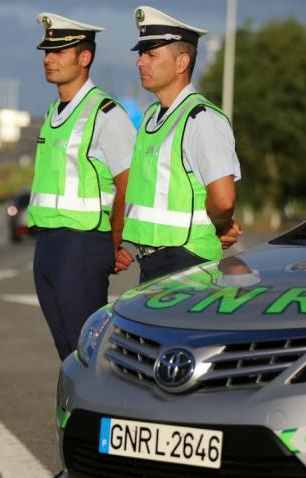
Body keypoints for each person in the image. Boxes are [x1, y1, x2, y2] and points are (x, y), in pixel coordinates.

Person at [29, 12, 136, 361]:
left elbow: (128, 183)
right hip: (48, 245)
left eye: (59, 51)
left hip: (83, 245)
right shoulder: (54, 112)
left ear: (84, 57)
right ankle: (73, 417)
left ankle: (100, 415)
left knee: (88, 352)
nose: (48, 58)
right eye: (47, 51)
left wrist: (116, 241)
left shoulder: (106, 113)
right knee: (66, 351)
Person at [121, 5, 242, 284]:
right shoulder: (153, 115)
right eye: (141, 54)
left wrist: (219, 227)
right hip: (155, 261)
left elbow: (223, 201)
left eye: (151, 54)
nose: (140, 62)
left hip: (186, 262)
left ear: (181, 63)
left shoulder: (201, 119)